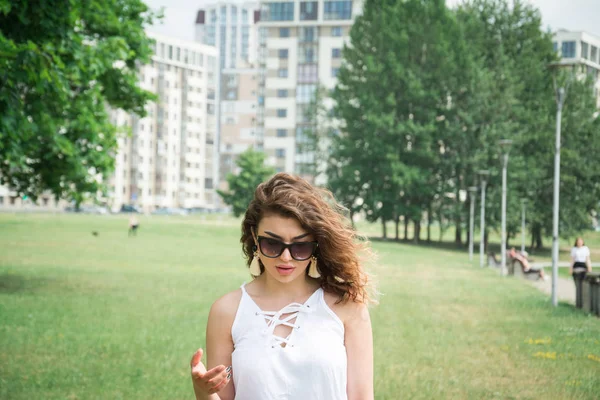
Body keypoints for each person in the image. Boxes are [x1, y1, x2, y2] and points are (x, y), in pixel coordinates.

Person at [189, 173, 375, 400]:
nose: (286, 257)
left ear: (316, 247)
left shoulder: (347, 307)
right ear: (255, 241)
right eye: (272, 243)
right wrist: (202, 391)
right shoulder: (226, 311)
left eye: (300, 247)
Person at [570, 237, 592, 307]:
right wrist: (570, 268)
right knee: (577, 285)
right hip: (576, 266)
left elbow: (587, 259)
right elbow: (572, 259)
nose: (579, 243)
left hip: (583, 266)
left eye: (580, 241)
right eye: (578, 241)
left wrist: (589, 267)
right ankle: (578, 301)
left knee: (583, 284)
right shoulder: (574, 249)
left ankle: (583, 301)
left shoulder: (585, 249)